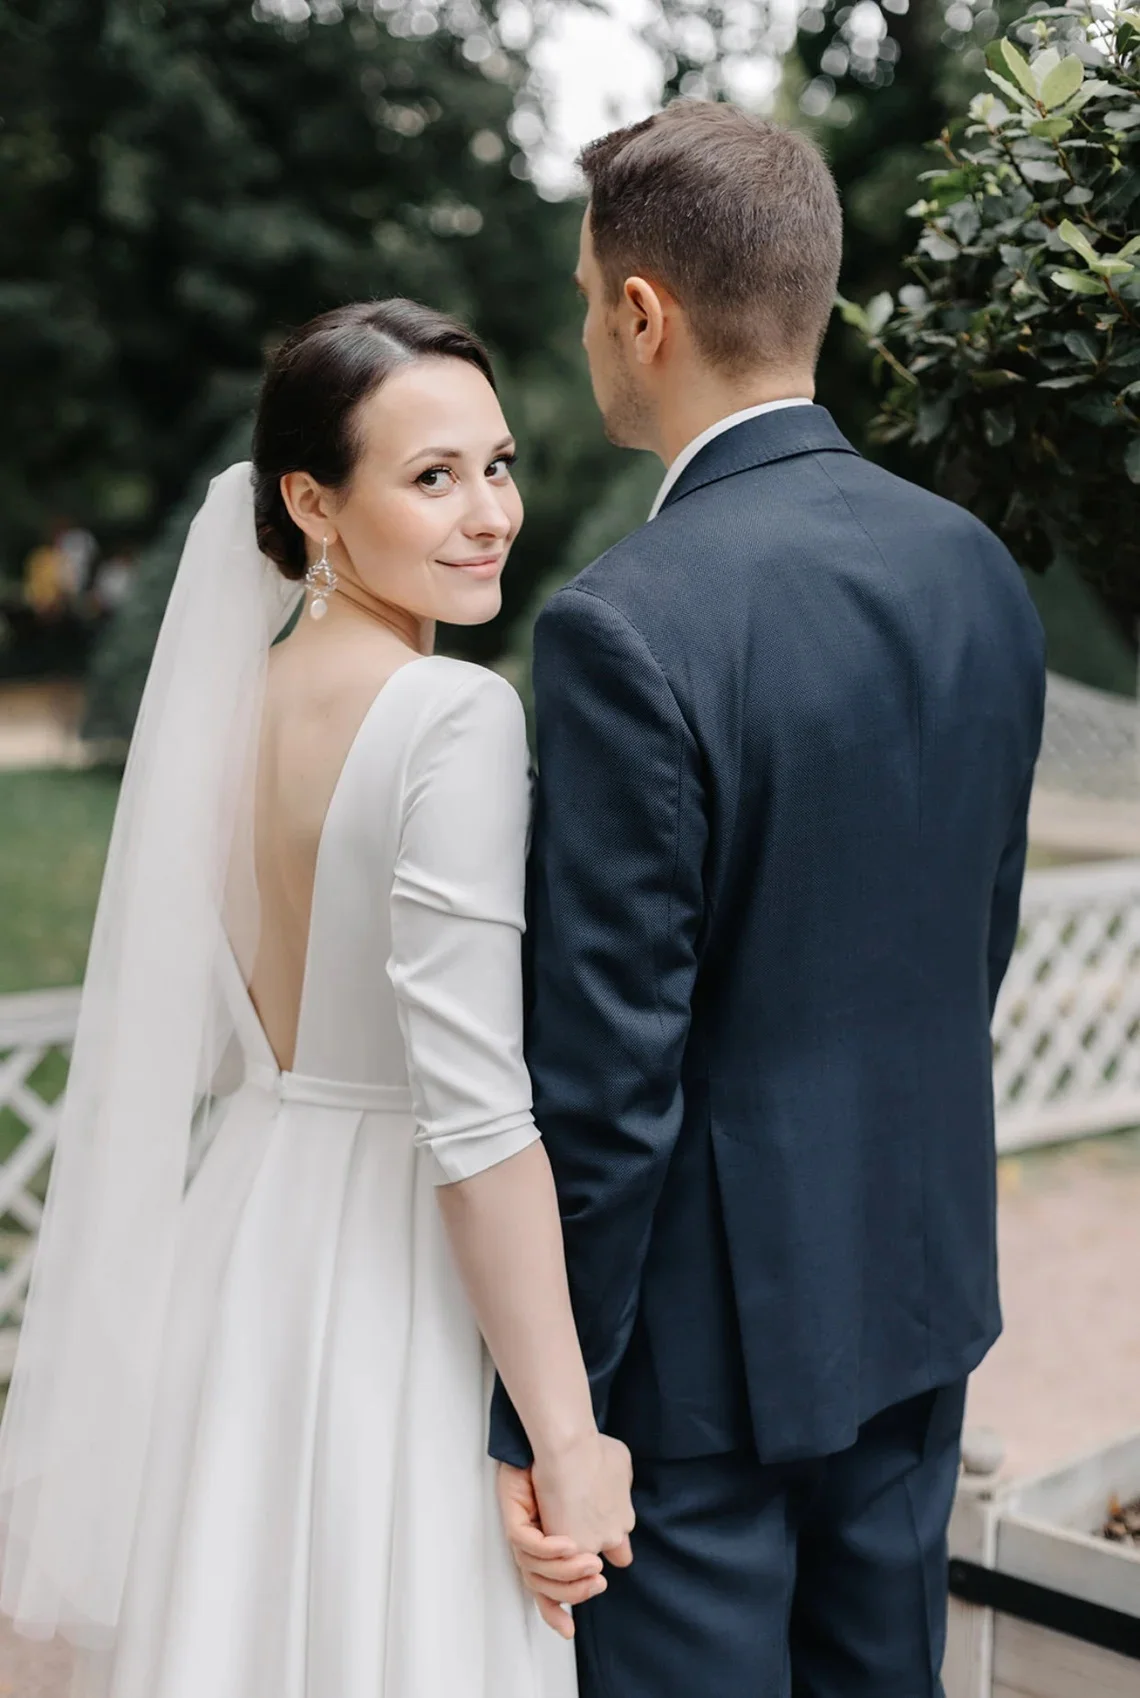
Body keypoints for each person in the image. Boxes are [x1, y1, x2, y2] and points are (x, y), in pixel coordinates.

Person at [0, 299, 632, 1697]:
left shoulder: (223, 712)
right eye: (432, 476)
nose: (491, 514)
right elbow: (475, 1121)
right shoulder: (452, 717)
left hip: (242, 1237)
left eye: (499, 463)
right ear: (312, 501)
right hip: (393, 1263)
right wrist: (571, 1439)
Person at [493, 103, 1046, 1697]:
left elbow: (608, 1075)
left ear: (643, 314)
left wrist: (556, 1410)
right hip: (919, 1283)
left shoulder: (626, 624)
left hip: (699, 1367)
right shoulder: (975, 570)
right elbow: (977, 939)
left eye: (590, 292)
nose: (588, 326)